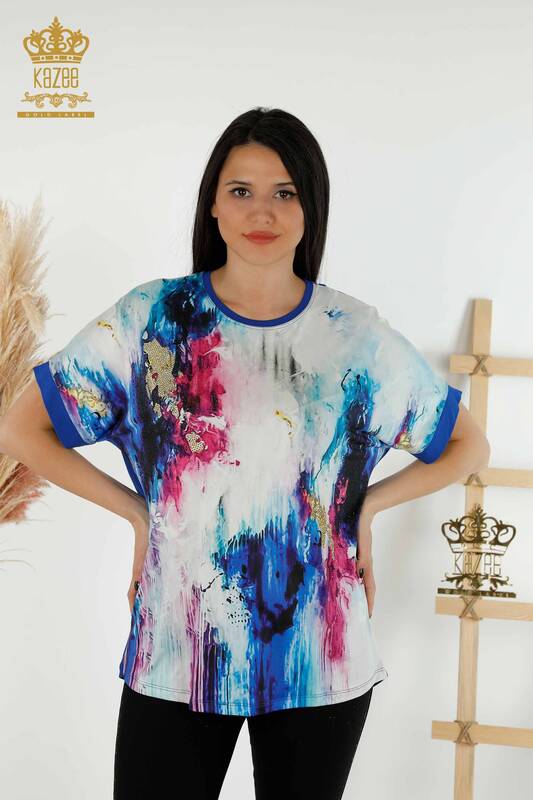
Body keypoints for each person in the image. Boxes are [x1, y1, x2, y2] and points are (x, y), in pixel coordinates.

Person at [0, 107, 490, 800]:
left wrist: (368, 507)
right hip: (178, 647)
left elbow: (468, 443)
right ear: (213, 205)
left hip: (317, 655)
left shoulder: (354, 336)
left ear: (310, 207)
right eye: (241, 190)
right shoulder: (152, 320)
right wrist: (139, 515)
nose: (262, 211)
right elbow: (22, 429)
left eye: (284, 192)